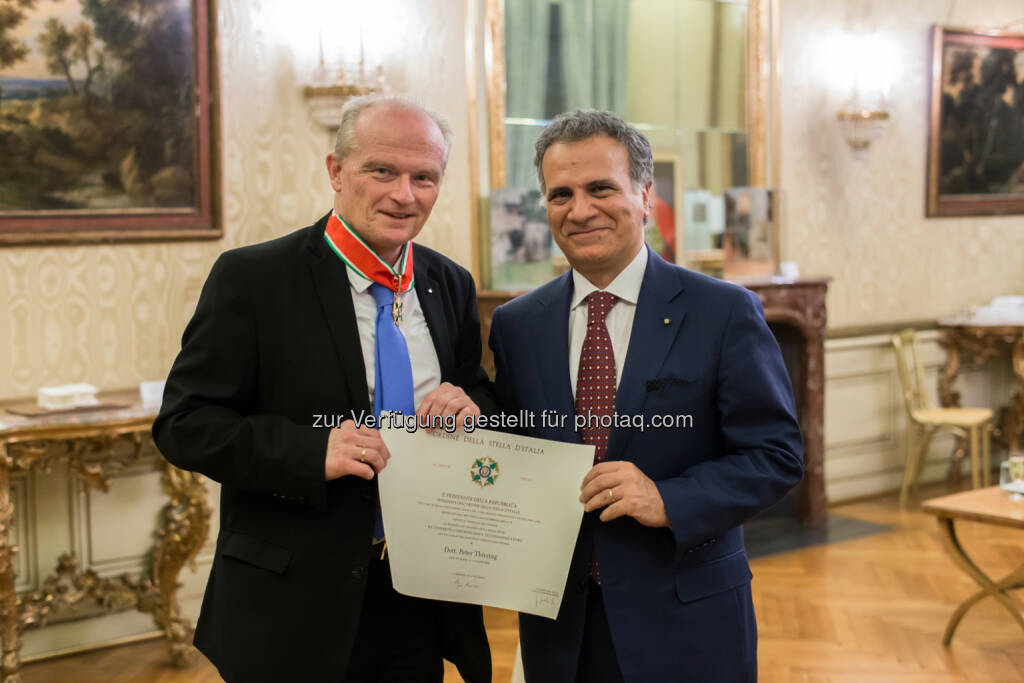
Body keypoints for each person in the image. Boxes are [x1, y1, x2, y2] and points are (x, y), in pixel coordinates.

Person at [153, 95, 492, 683]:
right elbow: (185, 425)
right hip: (290, 602)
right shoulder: (253, 279)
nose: (404, 194)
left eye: (424, 177)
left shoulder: (449, 283)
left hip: (420, 591)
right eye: (382, 170)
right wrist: (311, 452)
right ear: (335, 171)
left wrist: (473, 408)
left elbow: (481, 396)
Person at [489, 109, 803, 683]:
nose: (580, 210)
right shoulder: (516, 325)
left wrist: (668, 499)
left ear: (643, 194)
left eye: (600, 188)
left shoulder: (724, 312)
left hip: (688, 620)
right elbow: (514, 456)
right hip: (562, 631)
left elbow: (776, 457)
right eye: (561, 194)